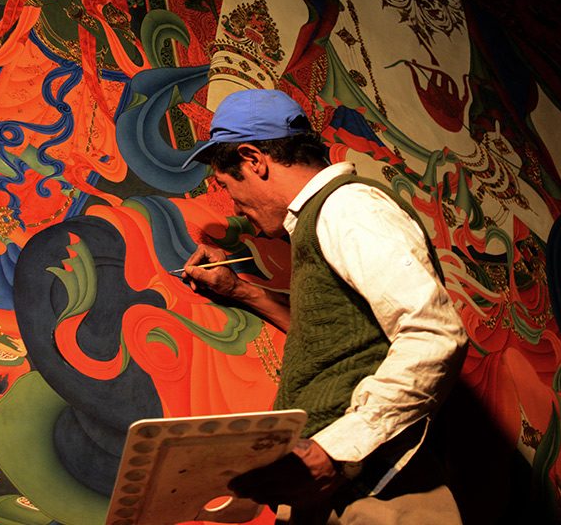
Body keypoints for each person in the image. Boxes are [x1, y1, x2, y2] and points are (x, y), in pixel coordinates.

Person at [180, 88, 468, 524]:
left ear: (254, 159)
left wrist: (335, 451)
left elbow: (434, 334)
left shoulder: (348, 206)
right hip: (340, 489)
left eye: (227, 185)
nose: (233, 205)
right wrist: (240, 291)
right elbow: (337, 341)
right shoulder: (326, 219)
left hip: (381, 488)